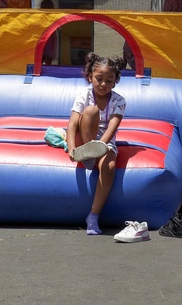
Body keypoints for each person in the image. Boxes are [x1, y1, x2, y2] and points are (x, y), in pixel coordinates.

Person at [65, 52, 127, 236]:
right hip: (83, 138)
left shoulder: (119, 101)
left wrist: (101, 146)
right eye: (99, 79)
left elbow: (113, 127)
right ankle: (88, 155)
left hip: (103, 141)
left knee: (109, 165)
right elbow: (72, 124)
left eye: (109, 80)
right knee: (91, 111)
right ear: (90, 77)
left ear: (115, 81)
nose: (103, 84)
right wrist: (70, 146)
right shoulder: (84, 95)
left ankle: (93, 215)